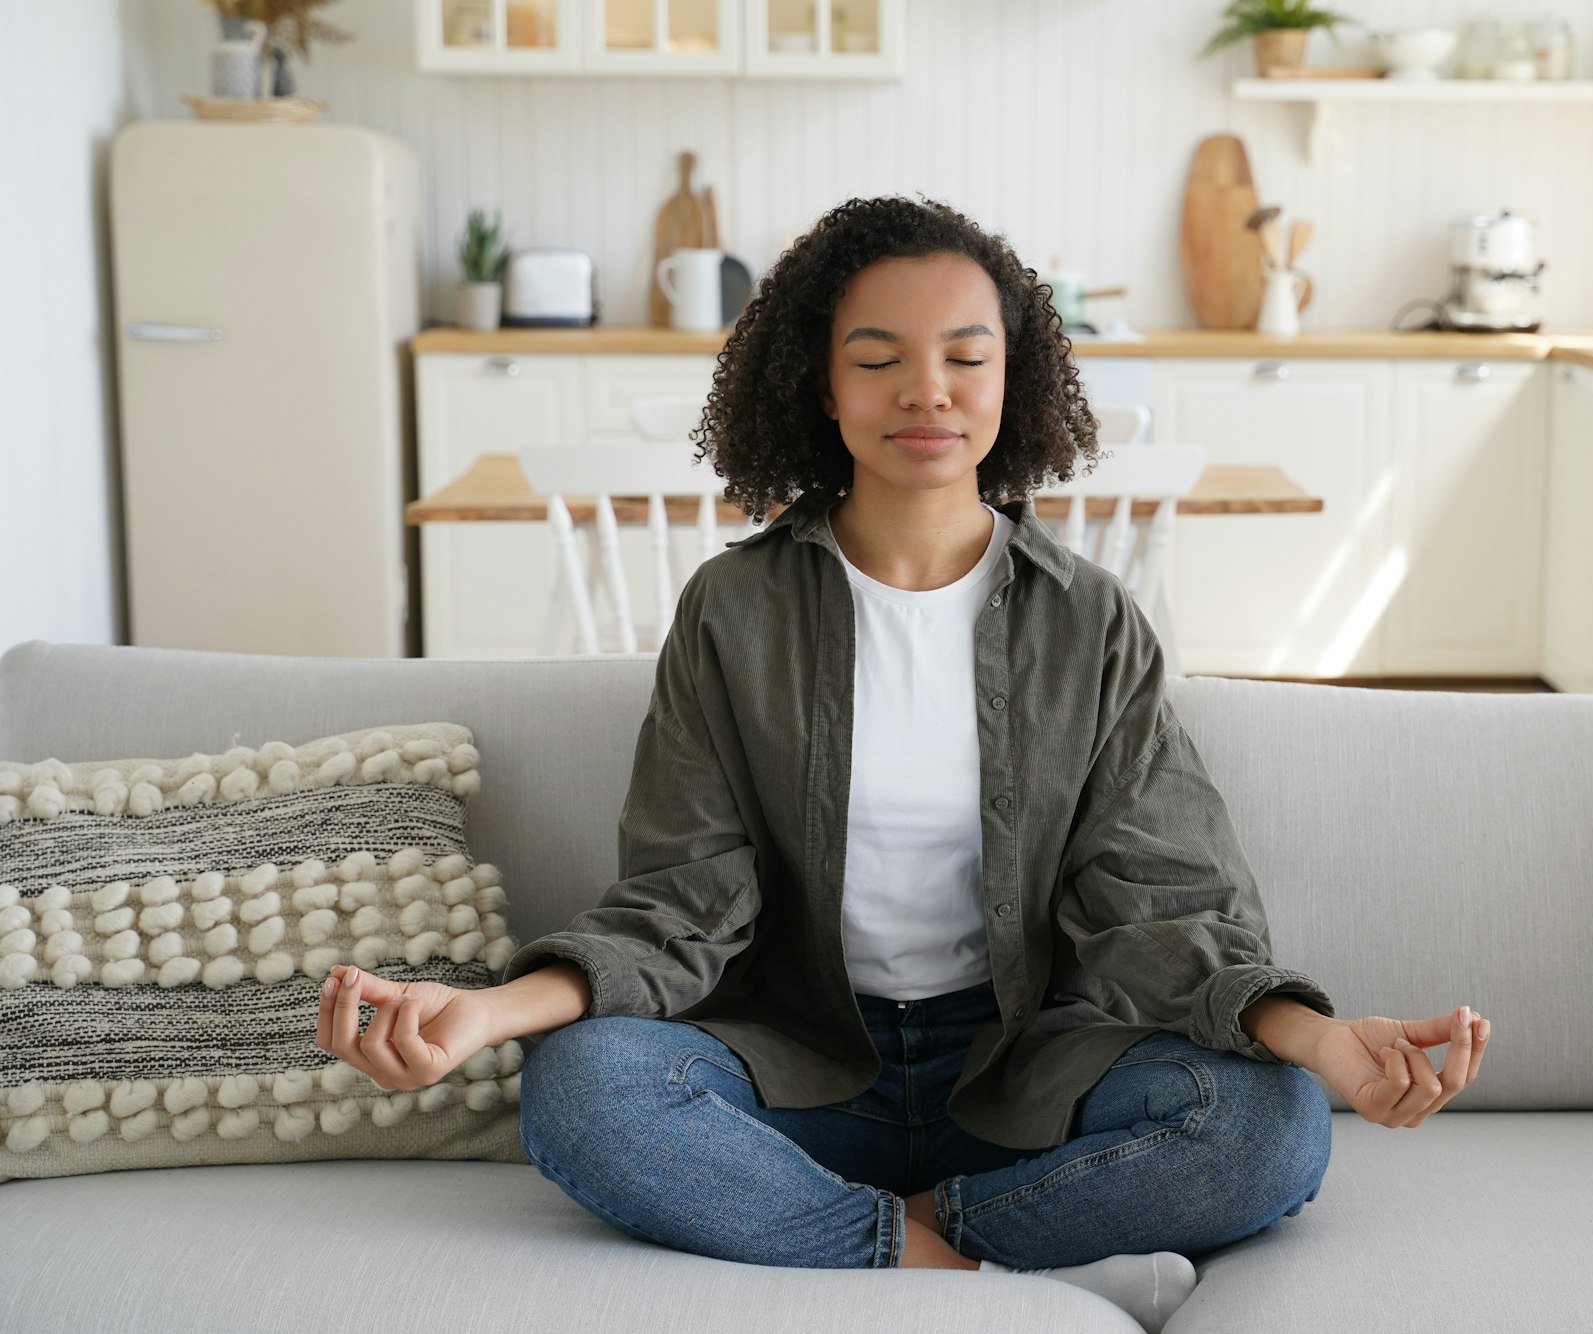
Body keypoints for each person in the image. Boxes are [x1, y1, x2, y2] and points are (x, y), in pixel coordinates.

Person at [315, 195, 1490, 1332]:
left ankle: (858, 1236)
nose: (925, 390)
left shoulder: (1091, 625)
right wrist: (485, 1014)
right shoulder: (734, 610)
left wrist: (1325, 1041)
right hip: (803, 1061)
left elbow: (1164, 904)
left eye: (964, 357)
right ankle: (988, 1266)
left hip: (1026, 1067)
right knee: (580, 1090)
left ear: (1009, 383)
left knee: (1267, 1124)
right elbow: (680, 903)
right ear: (820, 387)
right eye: (876, 358)